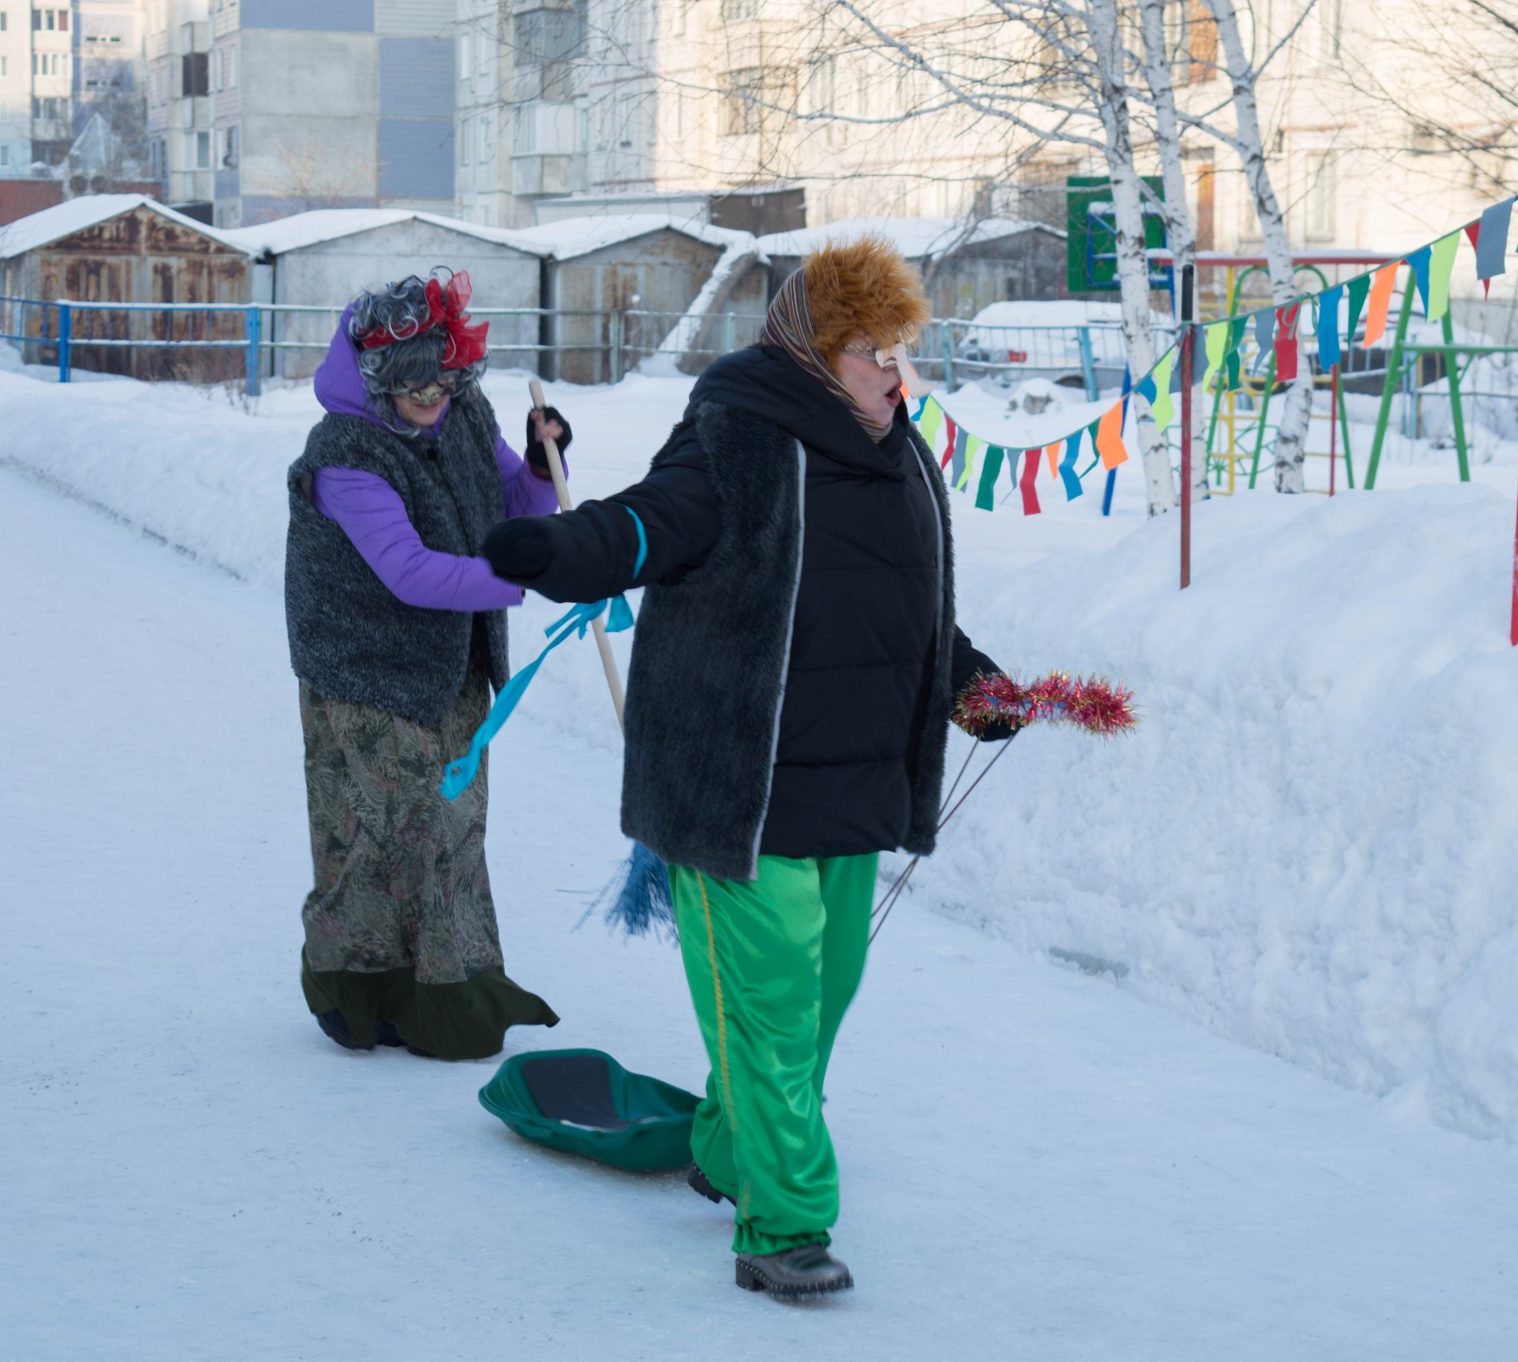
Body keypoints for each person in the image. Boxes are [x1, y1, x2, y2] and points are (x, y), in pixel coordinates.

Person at [481, 237, 1015, 1300]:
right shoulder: (744, 429)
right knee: (769, 1013)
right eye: (872, 352)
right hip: (742, 787)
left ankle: (730, 1151)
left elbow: (905, 605)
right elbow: (655, 522)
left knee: (818, 1004)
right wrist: (560, 551)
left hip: (856, 786)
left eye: (900, 352)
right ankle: (783, 1223)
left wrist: (968, 679)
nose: (893, 375)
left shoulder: (899, 450)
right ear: (816, 352)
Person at [284, 268, 566, 1061]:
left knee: (452, 828)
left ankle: (443, 988)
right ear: (377, 379)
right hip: (365, 672)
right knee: (375, 835)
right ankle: (359, 992)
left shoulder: (463, 411)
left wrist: (542, 472)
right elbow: (407, 570)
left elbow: (512, 503)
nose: (435, 396)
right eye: (416, 387)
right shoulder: (343, 453)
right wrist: (533, 575)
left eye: (446, 379)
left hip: (451, 667)